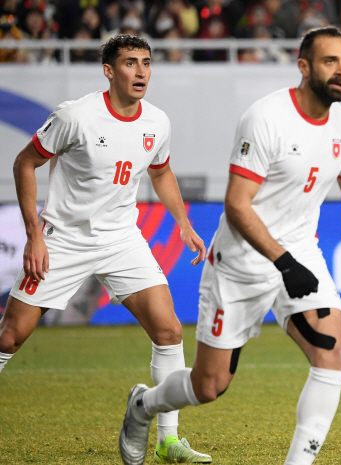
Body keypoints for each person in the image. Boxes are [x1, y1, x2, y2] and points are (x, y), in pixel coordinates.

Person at [118, 25, 341, 465]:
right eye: (331, 61)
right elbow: (236, 205)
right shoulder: (266, 117)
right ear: (304, 67)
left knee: (332, 354)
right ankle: (143, 405)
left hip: (300, 253)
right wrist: (282, 261)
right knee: (209, 386)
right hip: (241, 262)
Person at [0, 35, 212, 464]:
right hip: (64, 238)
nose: (141, 71)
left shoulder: (157, 121)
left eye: (147, 63)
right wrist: (34, 235)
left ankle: (168, 441)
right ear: (109, 70)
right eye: (131, 63)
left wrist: (184, 224)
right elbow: (25, 162)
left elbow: (162, 171)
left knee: (169, 331)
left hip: (121, 238)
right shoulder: (76, 116)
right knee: (10, 336)